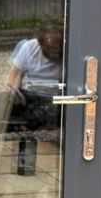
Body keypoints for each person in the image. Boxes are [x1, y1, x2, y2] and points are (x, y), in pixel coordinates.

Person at [6, 24, 64, 172]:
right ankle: (26, 166)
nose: (54, 51)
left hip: (61, 94)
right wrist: (12, 92)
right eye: (50, 48)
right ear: (41, 43)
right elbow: (14, 74)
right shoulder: (29, 47)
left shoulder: (70, 47)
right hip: (32, 94)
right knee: (25, 125)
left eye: (57, 48)